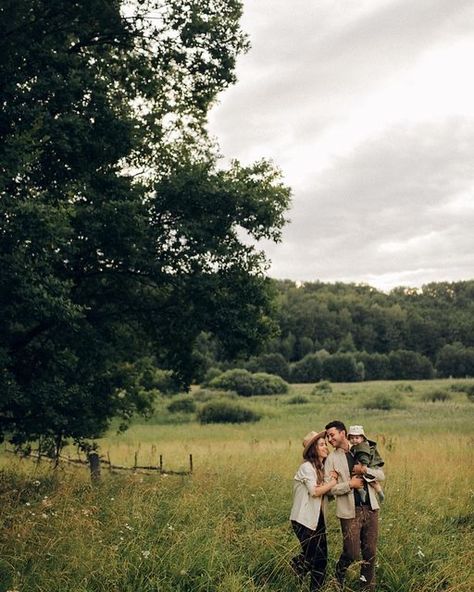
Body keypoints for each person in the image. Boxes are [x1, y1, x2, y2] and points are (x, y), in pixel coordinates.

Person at [324, 420, 385, 591]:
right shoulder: (332, 459)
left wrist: (365, 471)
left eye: (332, 435)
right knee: (351, 553)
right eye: (328, 436)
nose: (329, 439)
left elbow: (381, 475)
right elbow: (330, 489)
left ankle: (366, 588)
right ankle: (338, 576)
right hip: (349, 512)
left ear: (343, 433)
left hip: (371, 509)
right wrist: (349, 485)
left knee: (370, 553)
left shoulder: (364, 448)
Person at [290, 429, 339, 591]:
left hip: (317, 519)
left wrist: (328, 485)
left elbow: (324, 494)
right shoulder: (306, 467)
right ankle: (296, 567)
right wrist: (333, 482)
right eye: (322, 444)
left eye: (326, 444)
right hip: (303, 519)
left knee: (322, 558)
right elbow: (315, 492)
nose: (326, 447)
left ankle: (315, 588)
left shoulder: (321, 468)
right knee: (313, 557)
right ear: (313, 449)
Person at [347, 425, 385, 504]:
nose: (354, 440)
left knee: (357, 477)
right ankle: (379, 491)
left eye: (357, 438)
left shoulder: (361, 447)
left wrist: (364, 466)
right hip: (367, 468)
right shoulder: (357, 447)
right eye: (352, 438)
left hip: (365, 467)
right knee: (372, 482)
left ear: (362, 438)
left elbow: (364, 457)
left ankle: (361, 490)